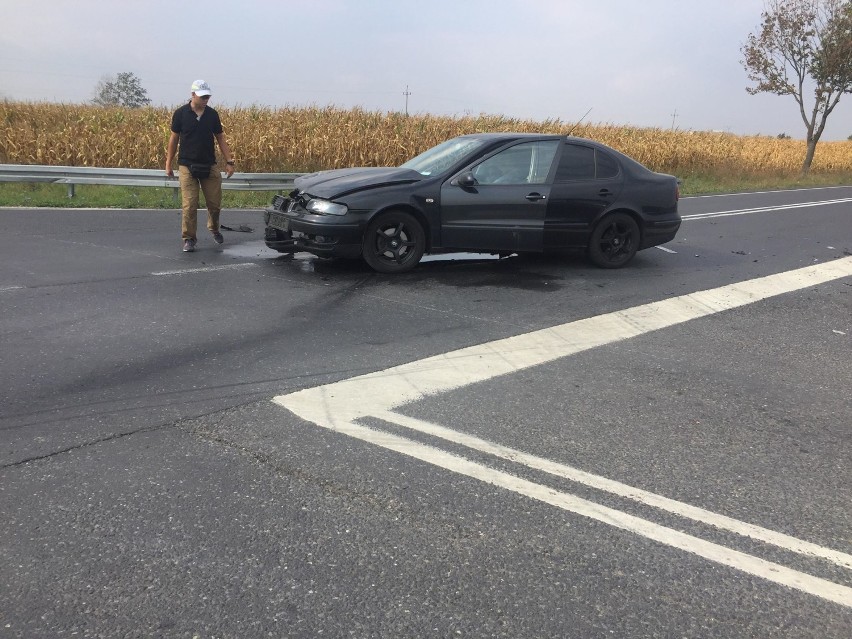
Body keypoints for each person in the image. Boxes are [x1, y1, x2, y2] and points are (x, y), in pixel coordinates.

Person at [165, 79, 235, 252]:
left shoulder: (212, 115)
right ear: (193, 95)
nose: (206, 99)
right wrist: (168, 163)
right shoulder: (180, 114)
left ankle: (214, 228)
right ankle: (189, 238)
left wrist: (229, 161)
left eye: (208, 96)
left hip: (209, 165)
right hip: (187, 166)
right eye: (203, 96)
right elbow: (173, 139)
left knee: (214, 203)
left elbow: (220, 138)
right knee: (190, 205)